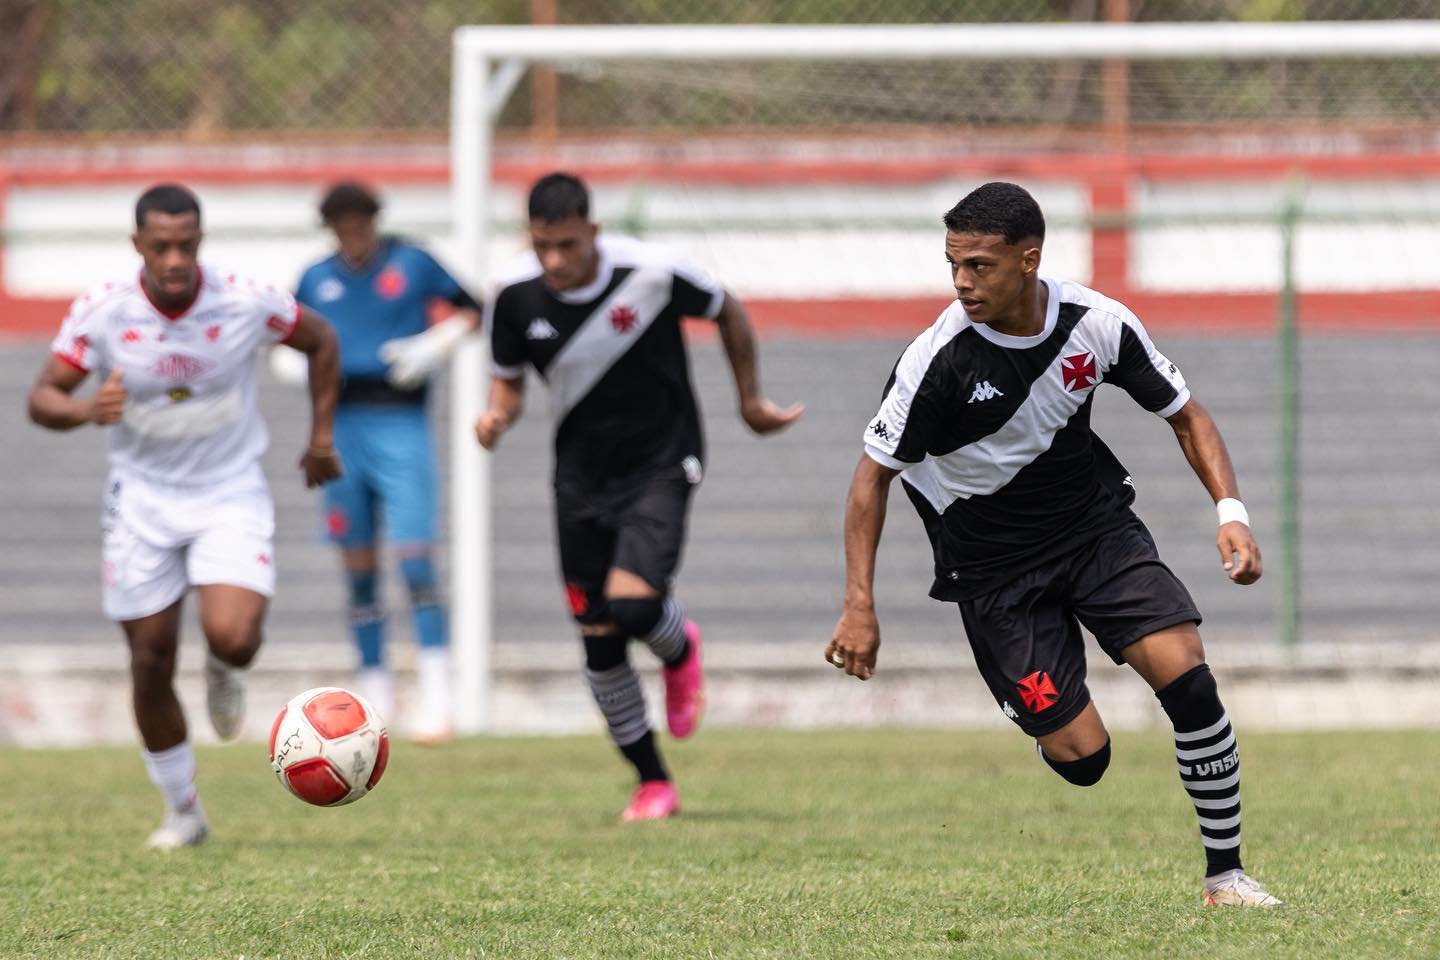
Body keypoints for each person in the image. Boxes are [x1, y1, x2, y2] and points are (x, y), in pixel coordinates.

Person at [826, 181, 1282, 908]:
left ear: (1029, 260)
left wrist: (1231, 512)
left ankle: (1225, 877)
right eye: (953, 264)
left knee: (1189, 679)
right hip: (993, 569)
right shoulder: (935, 360)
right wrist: (859, 606)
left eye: (980, 265)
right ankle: (1039, 709)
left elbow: (1187, 415)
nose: (962, 282)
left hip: (1093, 530)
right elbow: (868, 480)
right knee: (1083, 758)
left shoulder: (1097, 324)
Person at [475, 172, 803, 821]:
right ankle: (653, 782)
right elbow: (507, 382)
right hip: (579, 478)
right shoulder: (511, 295)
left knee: (632, 605)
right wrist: (496, 417)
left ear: (593, 231)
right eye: (542, 246)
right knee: (598, 642)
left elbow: (728, 309)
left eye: (567, 245)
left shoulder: (652, 272)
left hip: (662, 459)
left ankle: (679, 648)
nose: (554, 261)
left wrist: (749, 399)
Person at [27, 183, 341, 849]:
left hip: (228, 489)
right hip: (141, 499)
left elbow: (321, 339)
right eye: (161, 246)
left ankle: (225, 667)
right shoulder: (104, 311)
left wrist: (320, 439)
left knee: (235, 637)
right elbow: (43, 396)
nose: (175, 260)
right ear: (137, 244)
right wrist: (85, 410)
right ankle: (183, 810)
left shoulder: (245, 298)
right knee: (150, 657)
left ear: (201, 241)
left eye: (187, 245)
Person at [290, 182, 481, 742]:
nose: (352, 235)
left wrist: (435, 344)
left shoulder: (413, 263)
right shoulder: (316, 278)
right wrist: (294, 364)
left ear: (374, 221)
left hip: (401, 421)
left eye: (359, 223)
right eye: (341, 226)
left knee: (416, 561)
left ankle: (438, 694)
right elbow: (287, 334)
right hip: (341, 426)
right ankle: (373, 695)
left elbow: (476, 309)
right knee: (358, 570)